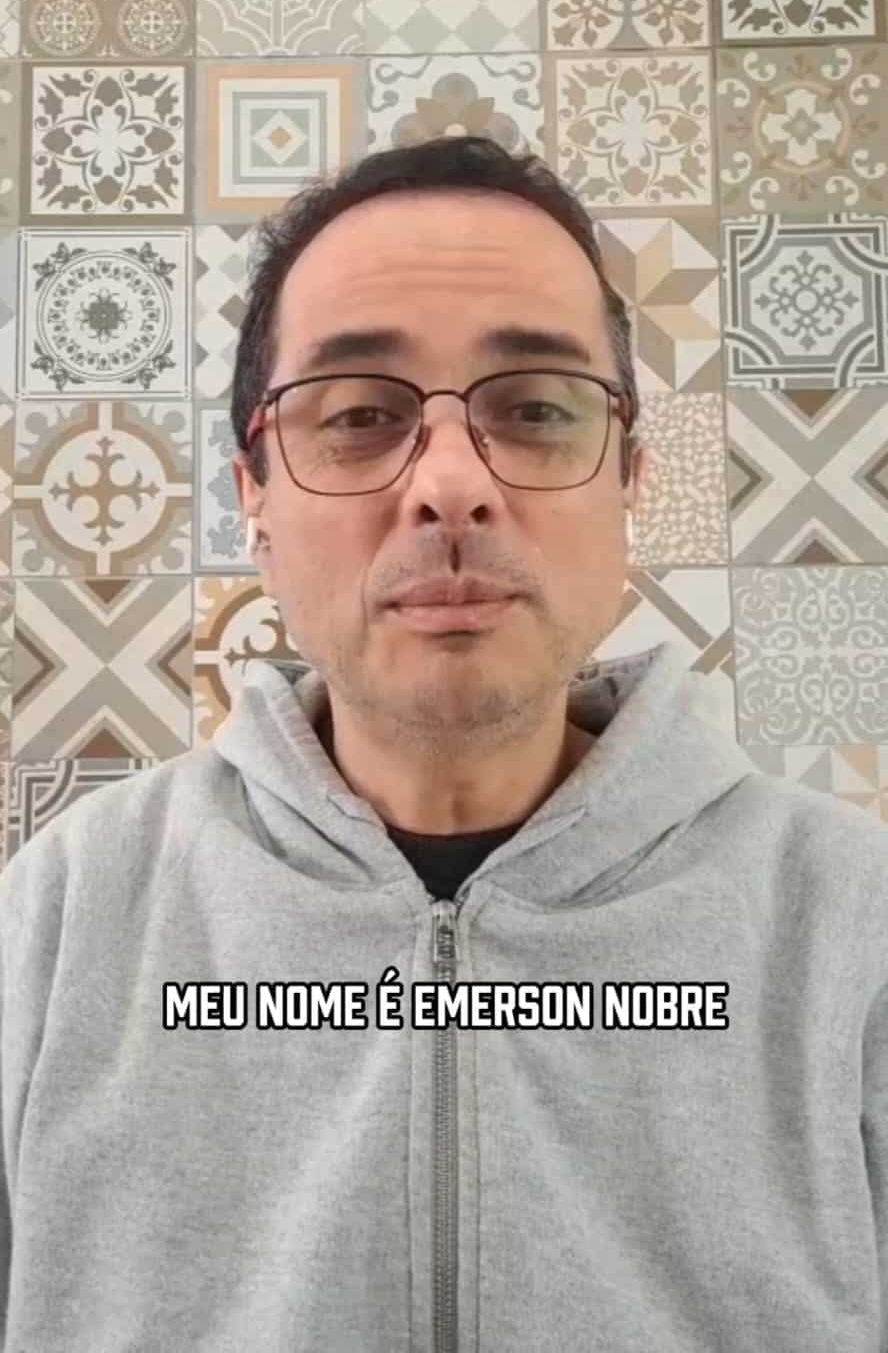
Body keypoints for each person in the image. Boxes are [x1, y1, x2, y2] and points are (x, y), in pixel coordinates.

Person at [0, 135, 887, 1353]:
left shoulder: (854, 929)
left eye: (535, 410)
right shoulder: (55, 924)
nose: (452, 485)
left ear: (629, 482)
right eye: (362, 416)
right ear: (254, 496)